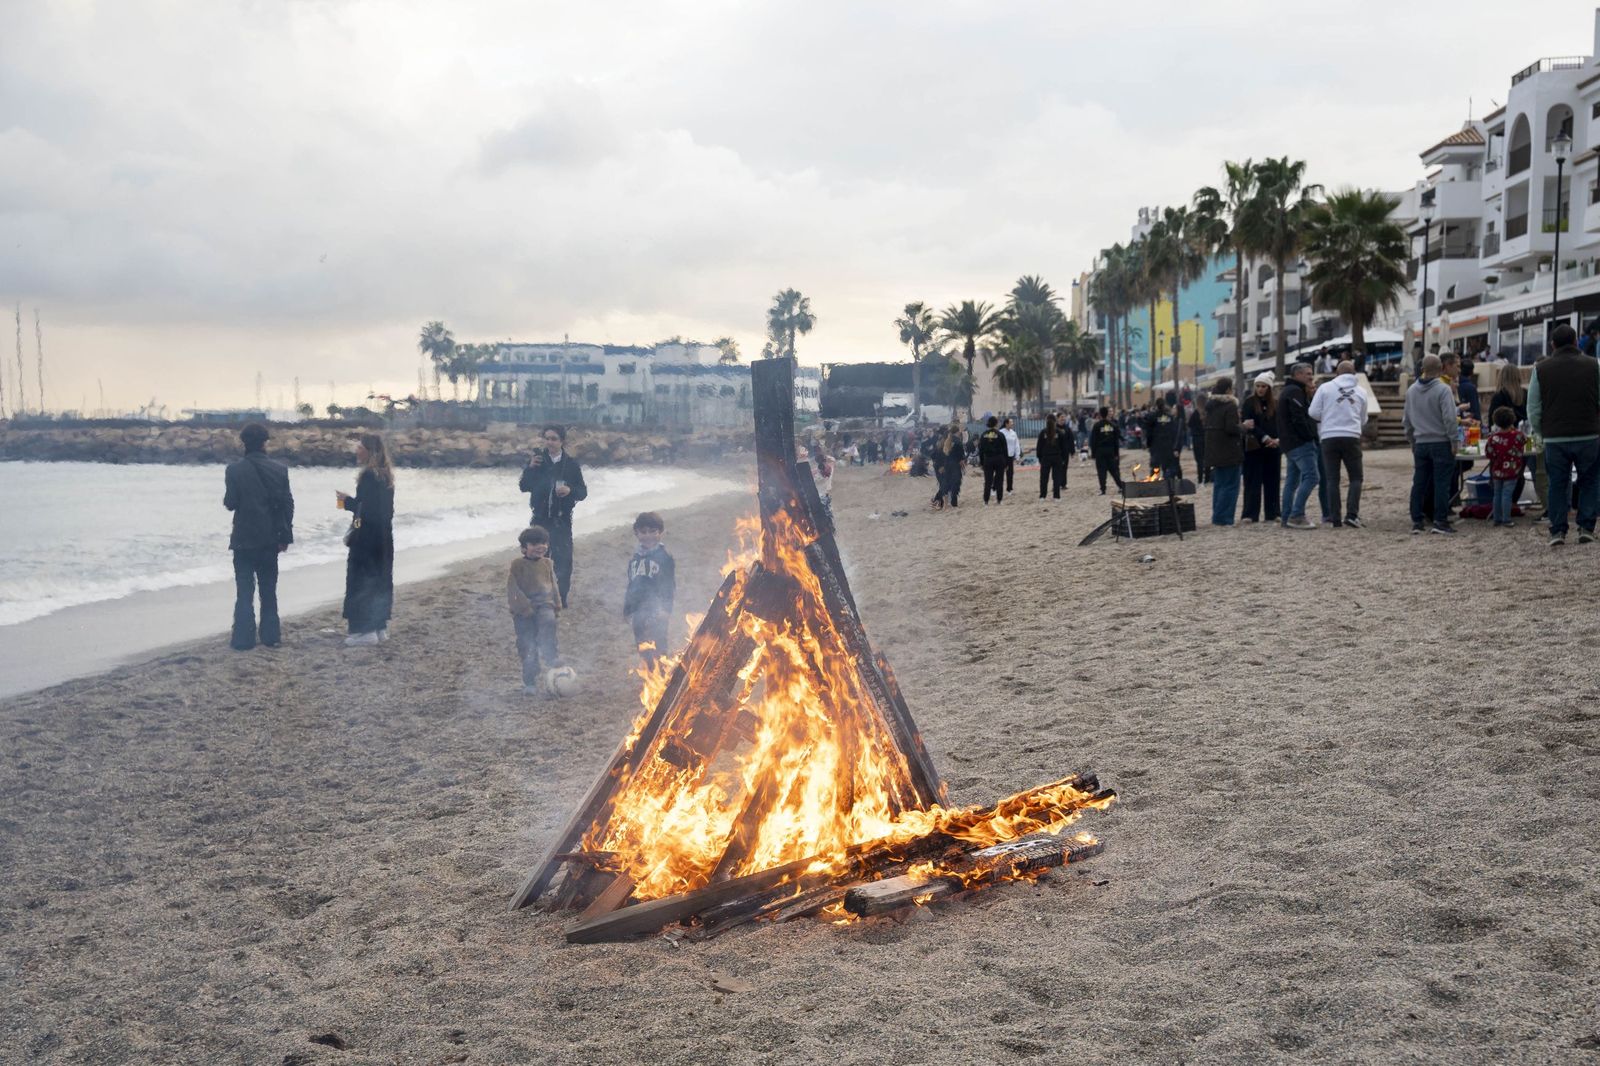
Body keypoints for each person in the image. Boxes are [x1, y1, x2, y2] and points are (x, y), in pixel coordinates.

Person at [223, 422, 294, 651]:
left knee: (244, 591)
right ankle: (271, 636)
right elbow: (288, 505)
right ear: (265, 443)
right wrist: (285, 536)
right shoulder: (280, 470)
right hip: (270, 538)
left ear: (243, 443)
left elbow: (230, 503)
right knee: (268, 590)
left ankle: (243, 639)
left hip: (243, 538)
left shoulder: (233, 470)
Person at [1528, 322, 1600, 547]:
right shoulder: (1593, 365)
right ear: (1575, 341)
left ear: (1552, 344)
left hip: (1555, 437)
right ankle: (1586, 527)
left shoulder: (1540, 369)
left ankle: (1557, 530)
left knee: (1557, 484)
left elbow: (1533, 408)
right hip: (1588, 434)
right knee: (1589, 481)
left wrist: (1542, 432)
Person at [336, 432, 396, 644]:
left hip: (368, 538)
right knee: (379, 579)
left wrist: (347, 502)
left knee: (362, 581)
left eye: (360, 447)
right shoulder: (386, 476)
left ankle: (364, 631)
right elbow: (385, 511)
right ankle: (379, 627)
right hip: (383, 537)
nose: (357, 450)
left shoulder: (369, 476)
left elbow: (366, 511)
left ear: (369, 451)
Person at [519, 424, 588, 607]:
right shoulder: (538, 462)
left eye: (554, 439)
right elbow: (523, 486)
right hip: (539, 520)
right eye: (547, 438)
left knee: (563, 562)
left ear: (562, 441)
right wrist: (530, 468)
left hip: (562, 521)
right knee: (535, 560)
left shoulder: (571, 465)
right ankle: (536, 598)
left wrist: (570, 490)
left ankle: (561, 599)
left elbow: (583, 493)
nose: (549, 442)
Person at [1308, 359, 1370, 528]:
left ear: (1337, 372)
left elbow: (1313, 412)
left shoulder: (1325, 388)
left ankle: (1335, 518)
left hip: (1329, 436)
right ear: (1354, 372)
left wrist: (1327, 419)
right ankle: (1351, 514)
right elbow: (1364, 418)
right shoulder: (1361, 392)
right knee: (1356, 477)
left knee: (1332, 479)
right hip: (1351, 436)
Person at [1402, 354, 1460, 536]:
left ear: (1422, 369)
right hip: (1441, 442)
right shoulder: (1443, 390)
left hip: (1421, 442)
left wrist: (1412, 440)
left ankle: (1417, 520)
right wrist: (1454, 440)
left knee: (1419, 482)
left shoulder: (1411, 391)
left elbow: (1407, 421)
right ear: (1441, 368)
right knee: (1441, 483)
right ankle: (1440, 520)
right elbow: (1450, 418)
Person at [508, 525, 561, 695]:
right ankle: (530, 682)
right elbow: (513, 589)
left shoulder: (547, 563)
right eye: (535, 543)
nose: (541, 547)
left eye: (544, 543)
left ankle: (551, 657)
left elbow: (553, 585)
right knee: (527, 645)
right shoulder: (518, 565)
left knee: (548, 625)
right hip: (524, 612)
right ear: (524, 548)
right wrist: (524, 608)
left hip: (545, 605)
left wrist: (557, 604)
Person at [623, 511, 675, 667]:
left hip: (656, 609)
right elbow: (631, 586)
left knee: (659, 643)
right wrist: (627, 609)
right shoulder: (634, 560)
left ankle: (662, 673)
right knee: (642, 643)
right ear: (636, 533)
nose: (648, 536)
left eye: (653, 531)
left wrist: (666, 609)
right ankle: (650, 672)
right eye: (643, 532)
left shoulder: (665, 558)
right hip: (638, 610)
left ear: (660, 533)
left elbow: (669, 586)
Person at [1276, 362, 1321, 529]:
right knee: (1312, 477)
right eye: (1307, 374)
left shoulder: (1289, 391)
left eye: (1311, 373)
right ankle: (1297, 515)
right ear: (1297, 375)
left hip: (1289, 444)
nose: (1310, 377)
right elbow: (1299, 419)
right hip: (1300, 443)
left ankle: (1287, 516)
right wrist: (1309, 437)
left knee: (1292, 481)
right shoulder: (1295, 392)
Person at [1202, 379, 1245, 526]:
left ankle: (1217, 516)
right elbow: (1231, 428)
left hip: (1214, 451)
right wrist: (1244, 427)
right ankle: (1225, 518)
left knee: (1219, 485)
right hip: (1229, 450)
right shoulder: (1230, 405)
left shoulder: (1211, 406)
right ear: (1228, 390)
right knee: (1231, 485)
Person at [1241, 374, 1281, 524]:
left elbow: (1280, 423)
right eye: (1258, 386)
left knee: (1273, 481)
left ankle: (1273, 512)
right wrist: (1264, 437)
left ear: (1269, 388)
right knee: (1252, 482)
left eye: (1263, 386)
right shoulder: (1249, 403)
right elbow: (1249, 424)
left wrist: (1276, 439)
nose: (1260, 389)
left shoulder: (1275, 404)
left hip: (1272, 448)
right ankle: (1250, 514)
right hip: (1254, 448)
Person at [1486, 408, 1528, 528]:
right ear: (1512, 420)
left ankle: (1497, 519)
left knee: (1497, 494)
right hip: (1512, 470)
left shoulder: (1493, 438)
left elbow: (1489, 454)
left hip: (1497, 471)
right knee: (1507, 494)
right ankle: (1506, 519)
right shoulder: (1518, 436)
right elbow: (1525, 441)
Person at [1143, 398, 1182, 480]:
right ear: (1164, 405)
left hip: (1156, 446)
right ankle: (1169, 486)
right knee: (1167, 467)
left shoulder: (1152, 416)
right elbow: (1173, 432)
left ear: (1156, 406)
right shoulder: (1170, 417)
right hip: (1167, 446)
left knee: (1155, 466)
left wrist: (1148, 444)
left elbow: (1148, 432)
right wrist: (1174, 446)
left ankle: (1154, 485)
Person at [1089, 406, 1123, 494]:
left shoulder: (1097, 426)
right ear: (1107, 414)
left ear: (1100, 414)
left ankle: (1103, 489)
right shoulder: (1113, 425)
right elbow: (1116, 441)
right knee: (1114, 470)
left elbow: (1093, 441)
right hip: (1110, 450)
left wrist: (1093, 454)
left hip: (1100, 451)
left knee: (1101, 471)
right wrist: (1116, 453)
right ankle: (1121, 486)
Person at [1035, 413, 1069, 499]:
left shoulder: (1043, 432)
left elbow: (1039, 447)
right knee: (1056, 477)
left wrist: (1039, 457)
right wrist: (1064, 458)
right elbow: (1064, 447)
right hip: (1057, 457)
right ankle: (1056, 496)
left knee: (1044, 478)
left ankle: (1042, 496)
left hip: (1045, 457)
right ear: (1055, 421)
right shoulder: (1059, 432)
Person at [978, 416, 1008, 504]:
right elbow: (1005, 449)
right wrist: (1006, 463)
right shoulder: (1000, 435)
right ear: (996, 423)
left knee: (988, 481)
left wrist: (981, 462)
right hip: (999, 459)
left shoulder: (983, 435)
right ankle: (999, 500)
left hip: (988, 459)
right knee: (999, 480)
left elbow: (981, 450)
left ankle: (986, 501)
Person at [1187, 399, 1209, 484]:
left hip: (1197, 438)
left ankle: (1200, 478)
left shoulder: (1195, 413)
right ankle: (1207, 477)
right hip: (1206, 438)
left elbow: (1189, 424)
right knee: (1206, 458)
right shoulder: (1208, 413)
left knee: (1199, 460)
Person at [1458, 358, 1482, 423]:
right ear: (1472, 372)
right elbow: (1475, 408)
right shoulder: (1470, 387)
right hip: (1470, 422)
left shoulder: (1455, 384)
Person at [1000, 417, 1020, 493]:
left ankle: (1009, 489)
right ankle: (994, 487)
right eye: (1011, 422)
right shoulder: (1001, 432)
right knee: (1000, 473)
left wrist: (1017, 456)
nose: (1012, 423)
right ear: (1006, 423)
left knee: (1010, 473)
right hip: (1002, 456)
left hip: (1010, 456)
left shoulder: (1013, 433)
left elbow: (1016, 444)